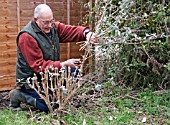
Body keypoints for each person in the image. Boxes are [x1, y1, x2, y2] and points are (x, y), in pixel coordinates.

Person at [9, 4, 96, 113]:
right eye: (45, 22)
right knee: (52, 106)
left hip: (49, 75)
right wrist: (63, 64)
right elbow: (38, 66)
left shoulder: (53, 28)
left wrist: (86, 33)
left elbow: (71, 31)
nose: (50, 25)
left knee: (74, 73)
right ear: (36, 20)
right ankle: (19, 95)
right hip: (31, 81)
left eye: (51, 21)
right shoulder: (26, 37)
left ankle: (53, 94)